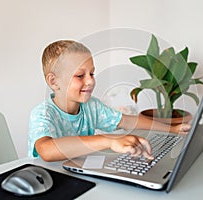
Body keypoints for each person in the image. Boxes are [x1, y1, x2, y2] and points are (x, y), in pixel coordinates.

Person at [28, 40, 191, 162]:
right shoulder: (42, 114)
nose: (90, 81)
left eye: (91, 74)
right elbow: (46, 150)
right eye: (80, 75)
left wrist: (172, 129)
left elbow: (128, 121)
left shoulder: (91, 106)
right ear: (53, 82)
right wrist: (109, 141)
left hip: (77, 173)